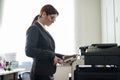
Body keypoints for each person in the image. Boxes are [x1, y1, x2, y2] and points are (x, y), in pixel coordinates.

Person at [25, 4, 75, 80]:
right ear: (44, 14)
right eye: (52, 18)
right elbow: (29, 51)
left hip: (47, 73)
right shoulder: (34, 29)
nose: (53, 21)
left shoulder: (43, 29)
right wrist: (52, 55)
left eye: (54, 19)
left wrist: (62, 56)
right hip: (40, 74)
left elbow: (47, 50)